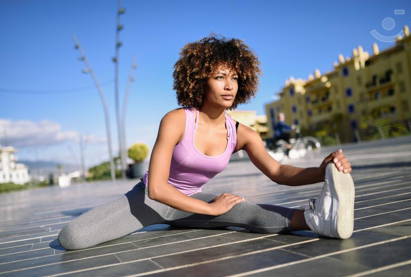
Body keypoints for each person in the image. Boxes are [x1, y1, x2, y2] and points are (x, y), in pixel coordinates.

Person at [58, 35, 355, 251]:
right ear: (200, 80)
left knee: (246, 211)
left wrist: (323, 170)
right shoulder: (176, 120)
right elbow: (158, 188)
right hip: (148, 201)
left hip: (190, 205)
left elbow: (277, 172)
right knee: (72, 238)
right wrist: (212, 210)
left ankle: (319, 218)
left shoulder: (243, 133)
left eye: (235, 78)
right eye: (220, 77)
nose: (229, 85)